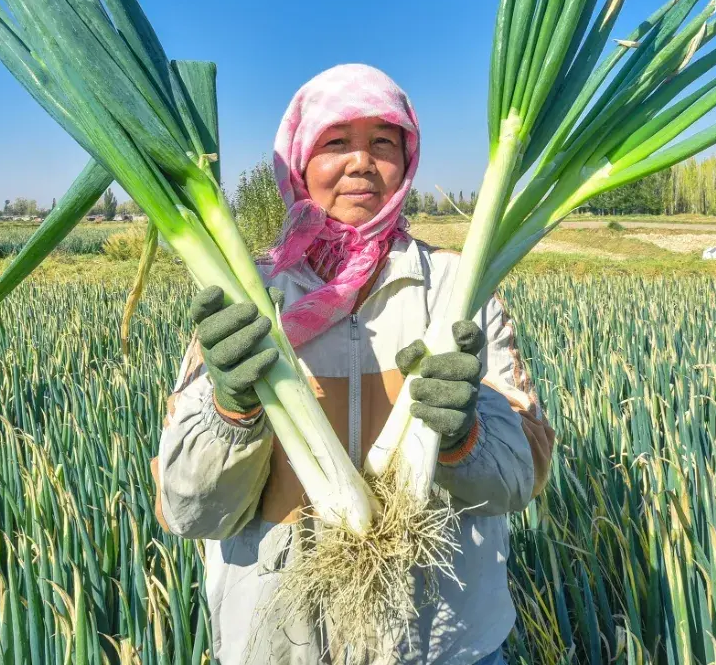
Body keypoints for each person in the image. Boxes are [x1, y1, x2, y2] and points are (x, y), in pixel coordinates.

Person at [152, 63, 555, 665]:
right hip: (279, 648)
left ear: (406, 162)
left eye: (383, 143)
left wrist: (466, 435)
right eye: (336, 142)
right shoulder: (244, 298)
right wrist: (231, 411)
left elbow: (519, 483)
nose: (362, 162)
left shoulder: (460, 290)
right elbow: (189, 509)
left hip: (444, 647)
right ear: (297, 163)